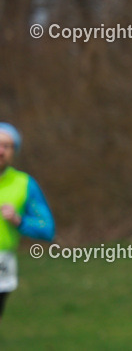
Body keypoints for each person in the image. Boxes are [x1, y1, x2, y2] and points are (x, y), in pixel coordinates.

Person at [0, 121, 56, 321]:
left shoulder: (24, 184)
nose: (1, 151)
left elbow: (47, 228)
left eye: (7, 146)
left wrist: (19, 220)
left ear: (14, 151)